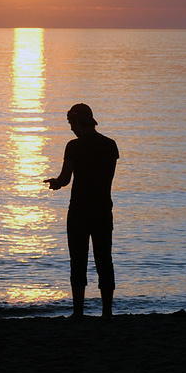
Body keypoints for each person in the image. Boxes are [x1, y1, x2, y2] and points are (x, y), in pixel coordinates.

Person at [45, 104, 119, 319]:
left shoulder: (73, 147)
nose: (70, 129)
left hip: (79, 210)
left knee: (78, 260)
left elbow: (65, 179)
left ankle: (78, 311)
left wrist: (55, 184)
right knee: (104, 259)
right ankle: (107, 312)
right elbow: (107, 177)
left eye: (71, 123)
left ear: (77, 122)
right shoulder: (110, 145)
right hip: (103, 209)